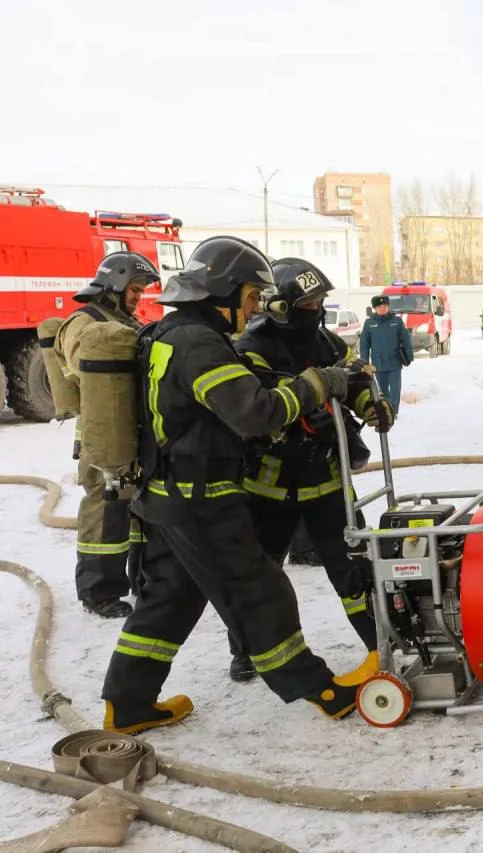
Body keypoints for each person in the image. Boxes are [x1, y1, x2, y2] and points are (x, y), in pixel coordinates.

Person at [100, 235, 371, 734]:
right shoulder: (198, 344)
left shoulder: (170, 332)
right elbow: (255, 413)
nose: (253, 310)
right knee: (260, 592)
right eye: (248, 298)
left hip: (163, 497)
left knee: (169, 600)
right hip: (200, 500)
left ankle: (128, 703)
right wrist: (319, 384)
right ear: (221, 294)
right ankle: (322, 690)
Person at [226, 257, 394, 682]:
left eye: (321, 300)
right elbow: (259, 407)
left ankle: (381, 643)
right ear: (280, 306)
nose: (316, 309)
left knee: (353, 567)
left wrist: (371, 408)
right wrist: (301, 413)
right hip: (270, 485)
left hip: (326, 479)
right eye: (308, 302)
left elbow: (354, 384)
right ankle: (247, 650)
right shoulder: (250, 348)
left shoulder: (331, 345)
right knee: (258, 575)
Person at [54, 252, 159, 618]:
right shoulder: (83, 324)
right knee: (104, 511)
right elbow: (88, 370)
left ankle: (133, 579)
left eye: (141, 290)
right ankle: (98, 590)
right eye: (134, 288)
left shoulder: (121, 320)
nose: (138, 296)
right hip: (103, 435)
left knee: (130, 510)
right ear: (113, 283)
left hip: (128, 430)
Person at [359, 295, 413, 415]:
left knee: (395, 390)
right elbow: (364, 345)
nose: (382, 309)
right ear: (375, 308)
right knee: (383, 391)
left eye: (385, 306)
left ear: (388, 307)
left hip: (394, 362)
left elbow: (406, 340)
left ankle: (394, 411)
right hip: (378, 364)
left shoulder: (397, 322)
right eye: (379, 307)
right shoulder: (369, 323)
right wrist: (364, 362)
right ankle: (388, 410)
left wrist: (409, 356)